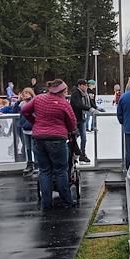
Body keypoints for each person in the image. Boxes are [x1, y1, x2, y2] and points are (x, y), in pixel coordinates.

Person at [21, 79, 77, 210]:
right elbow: (72, 123)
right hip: (57, 138)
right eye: (65, 91)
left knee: (44, 171)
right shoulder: (64, 103)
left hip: (39, 138)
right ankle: (66, 201)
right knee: (61, 171)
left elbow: (25, 110)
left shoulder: (38, 98)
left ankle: (46, 203)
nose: (66, 93)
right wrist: (68, 129)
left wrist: (35, 122)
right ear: (61, 91)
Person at [12, 88, 36, 176]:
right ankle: (29, 164)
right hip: (25, 129)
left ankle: (37, 165)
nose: (25, 94)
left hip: (33, 129)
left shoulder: (34, 102)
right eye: (23, 93)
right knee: (28, 148)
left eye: (26, 93)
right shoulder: (22, 103)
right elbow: (14, 110)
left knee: (34, 149)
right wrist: (18, 101)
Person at [69, 79, 92, 162]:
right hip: (75, 119)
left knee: (84, 138)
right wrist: (90, 109)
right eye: (83, 85)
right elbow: (79, 105)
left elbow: (91, 103)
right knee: (74, 137)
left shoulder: (85, 94)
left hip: (82, 118)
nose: (85, 87)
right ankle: (74, 155)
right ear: (79, 85)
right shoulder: (76, 93)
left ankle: (82, 154)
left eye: (86, 85)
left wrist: (96, 108)